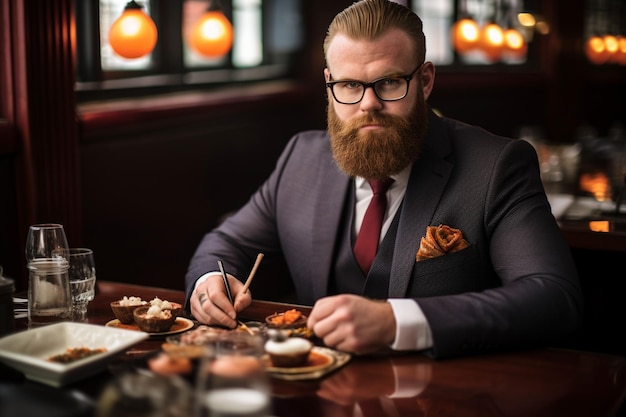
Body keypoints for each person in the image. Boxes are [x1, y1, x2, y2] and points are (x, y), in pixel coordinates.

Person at [185, 0, 583, 359]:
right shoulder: (300, 158)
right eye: (349, 85)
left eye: (389, 82)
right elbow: (228, 241)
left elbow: (553, 297)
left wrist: (399, 322)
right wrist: (209, 284)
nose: (368, 104)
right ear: (329, 84)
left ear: (424, 81)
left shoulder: (496, 165)